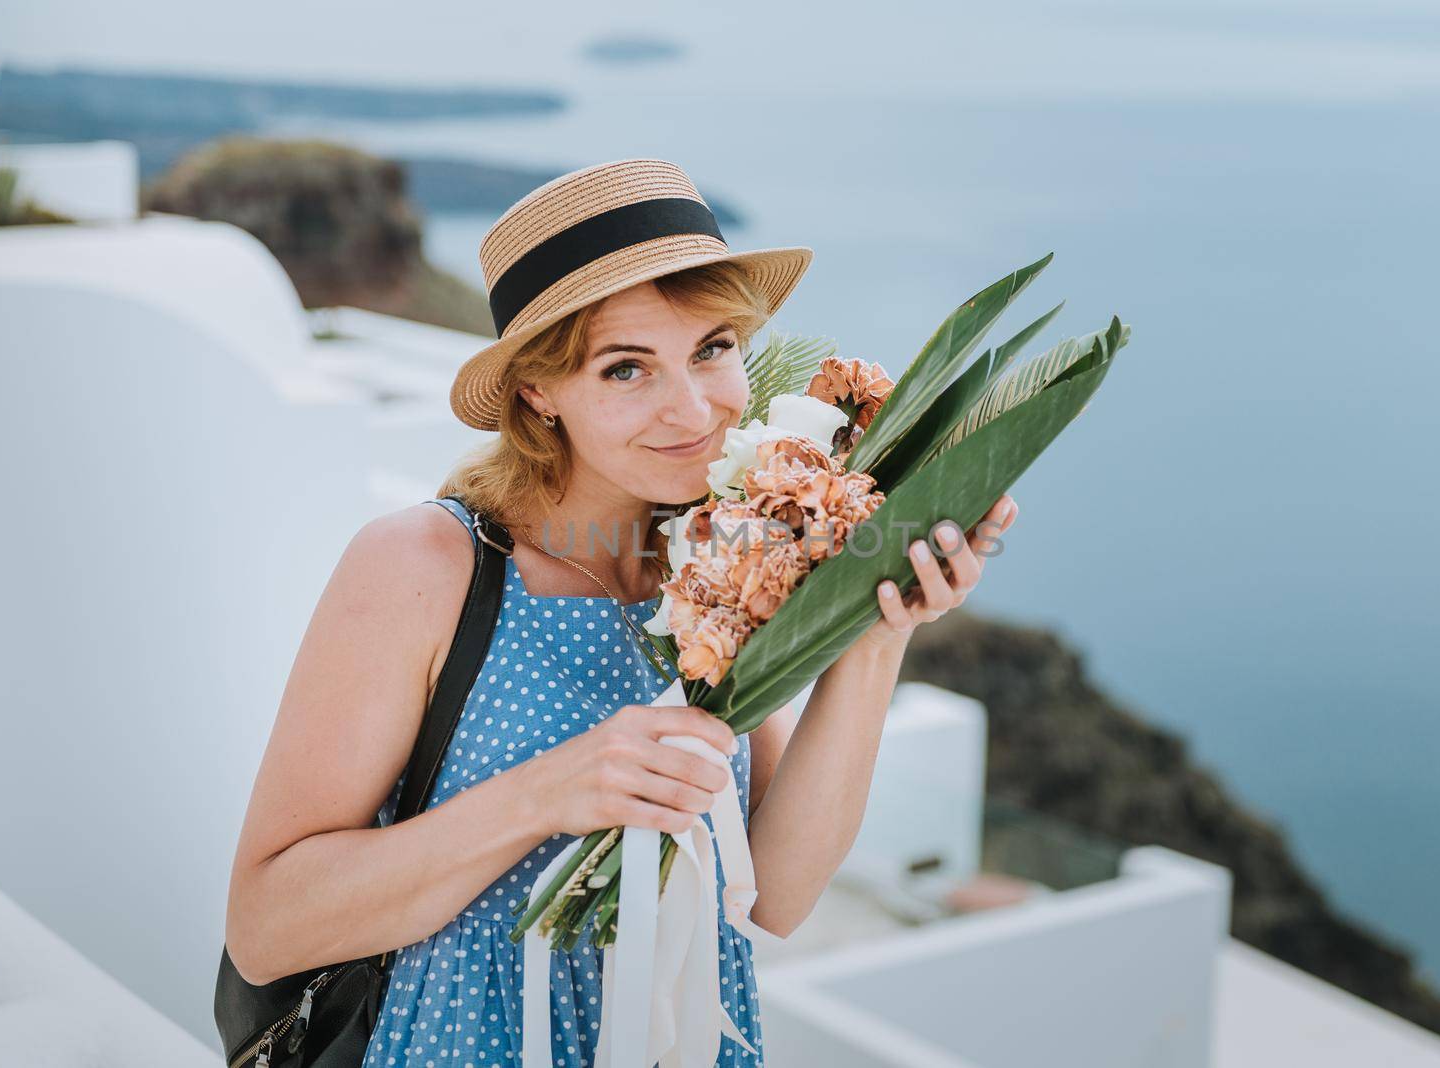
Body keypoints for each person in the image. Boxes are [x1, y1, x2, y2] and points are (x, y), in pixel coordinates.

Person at [222, 158, 1018, 1067]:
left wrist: (876, 636)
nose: (694, 411)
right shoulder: (426, 566)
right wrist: (548, 792)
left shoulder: (722, 560)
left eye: (713, 349)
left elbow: (775, 897)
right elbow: (266, 927)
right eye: (627, 368)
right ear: (537, 392)